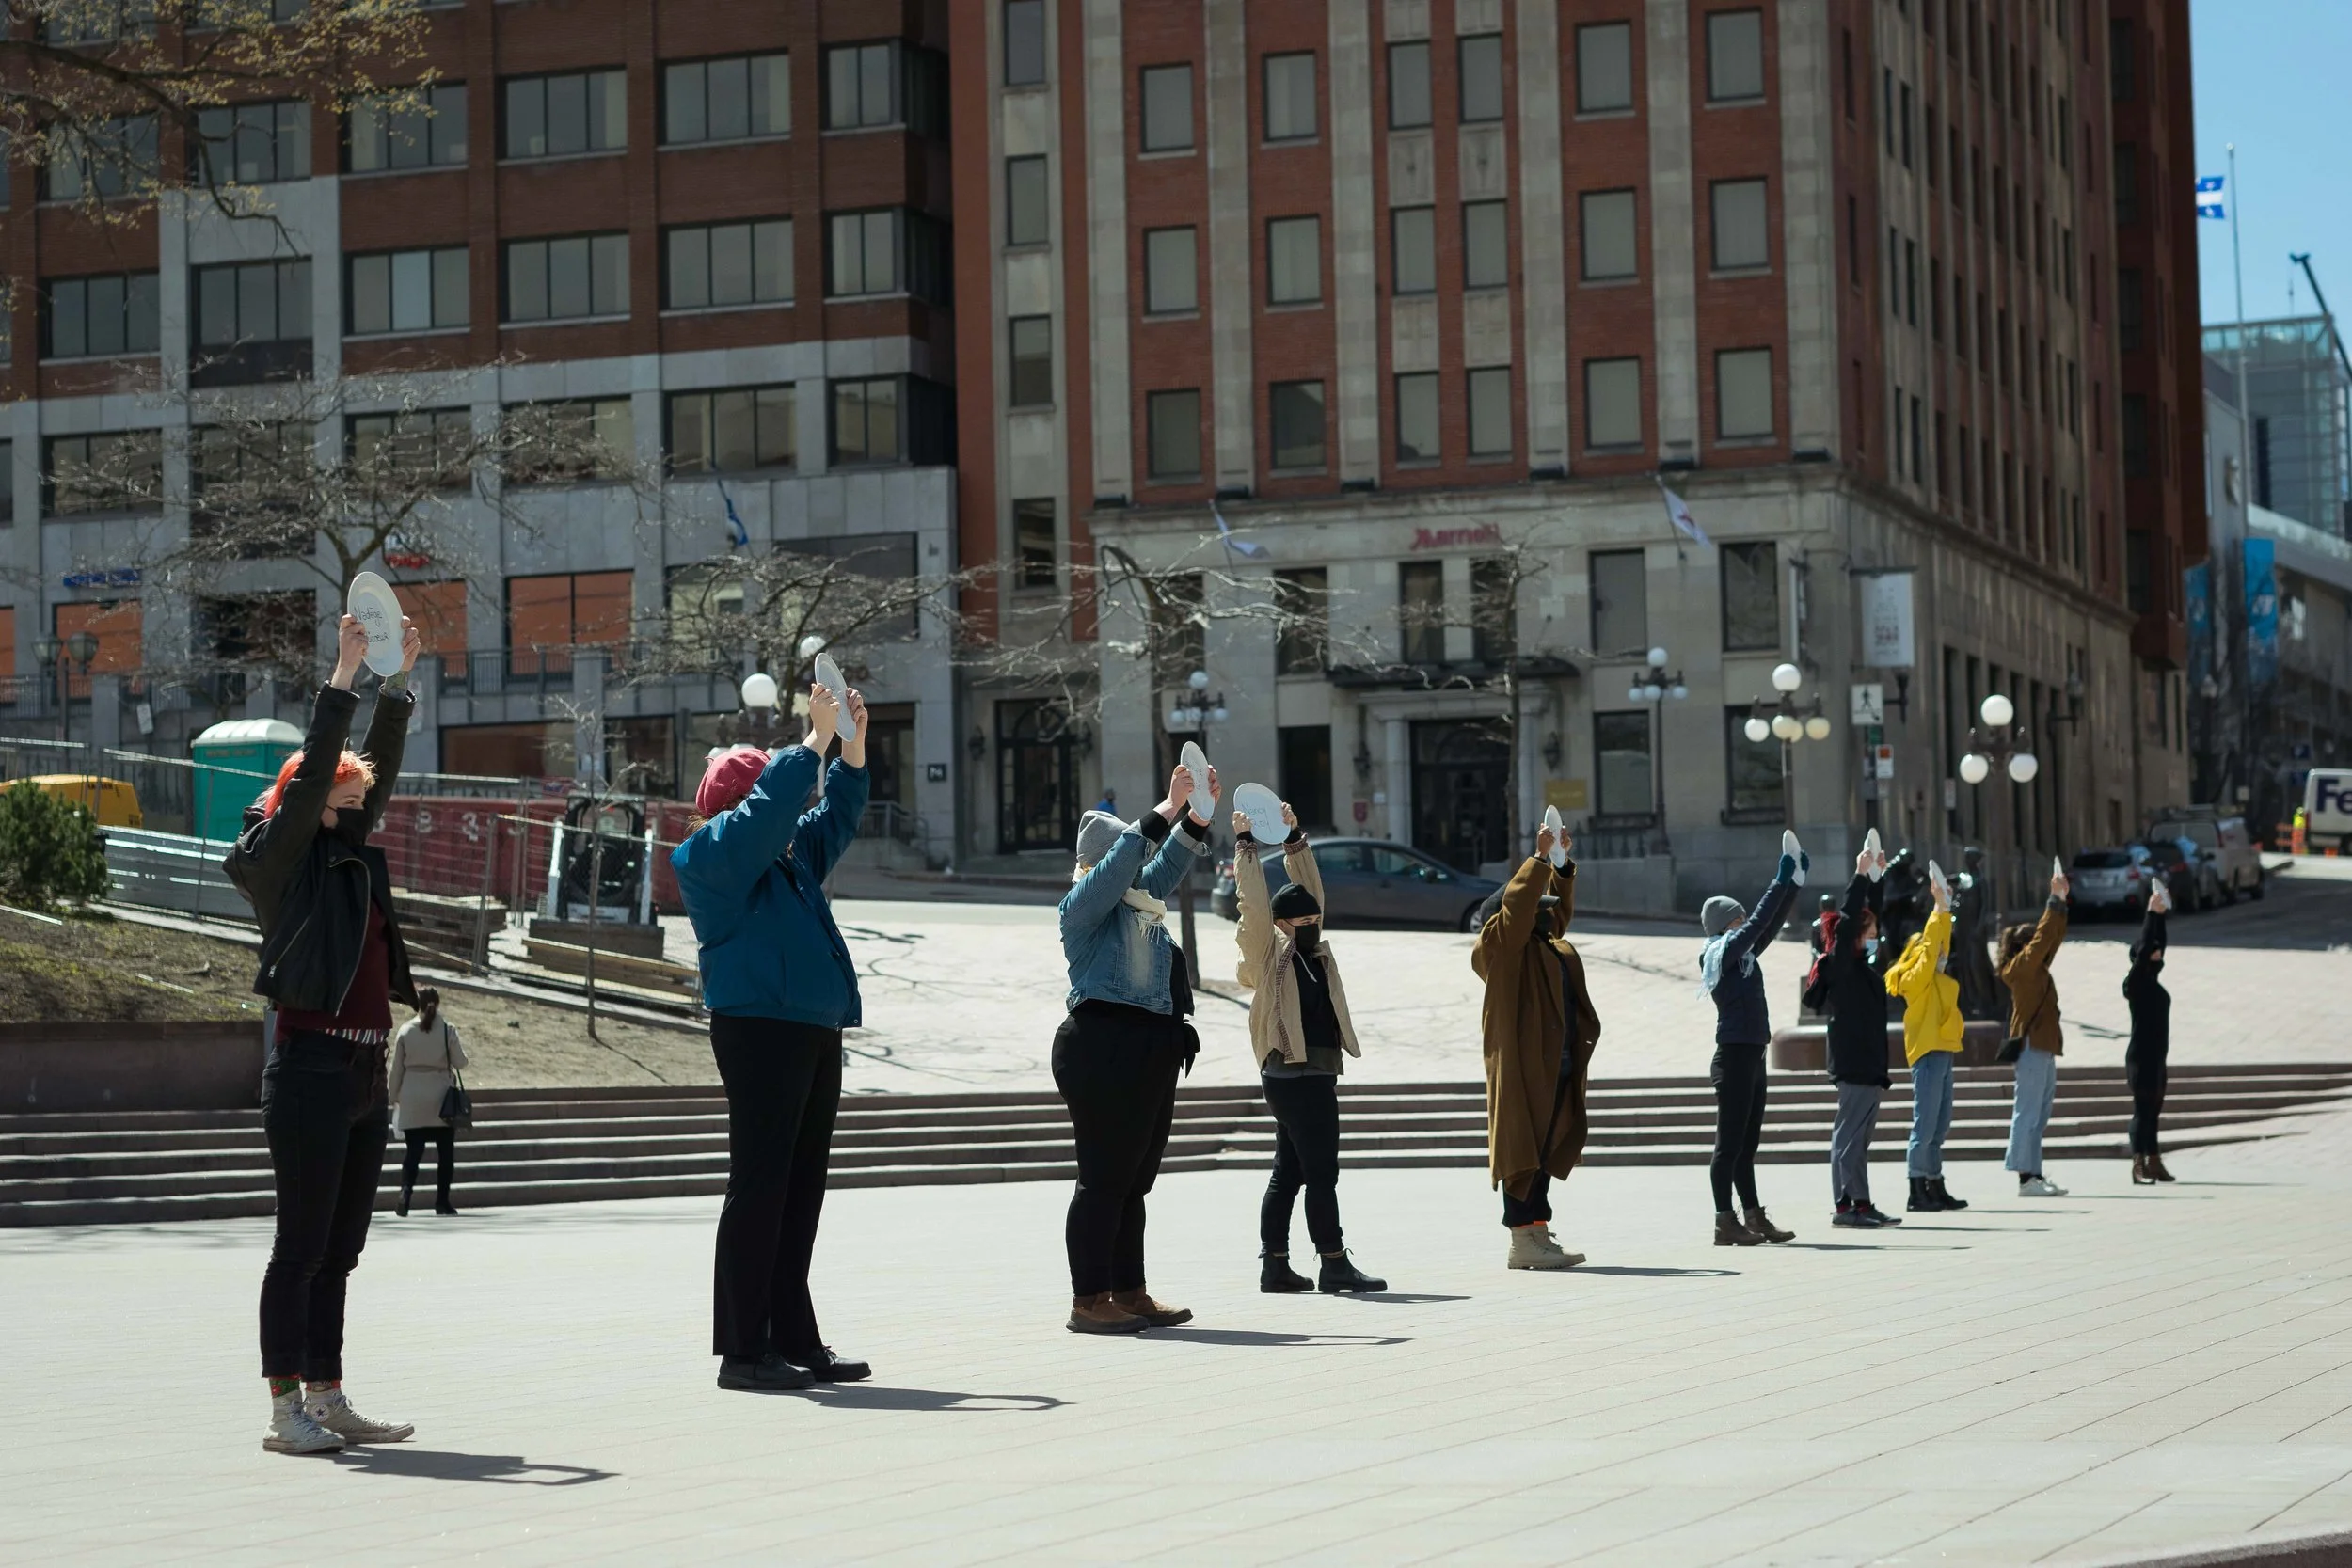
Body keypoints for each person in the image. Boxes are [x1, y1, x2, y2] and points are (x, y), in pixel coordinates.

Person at [225, 611, 423, 1457]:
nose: (356, 808)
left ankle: (328, 1393)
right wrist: (342, 677)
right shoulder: (279, 865)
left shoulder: (347, 856)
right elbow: (312, 789)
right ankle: (282, 1413)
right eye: (341, 800)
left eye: (354, 800)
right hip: (306, 1069)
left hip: (362, 1078)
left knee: (339, 1252)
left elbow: (367, 780)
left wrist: (397, 684)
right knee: (299, 1248)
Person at [672, 682, 873, 1393]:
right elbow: (767, 817)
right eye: (778, 800)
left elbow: (838, 814)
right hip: (760, 1029)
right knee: (761, 1186)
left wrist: (849, 748)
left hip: (811, 1028)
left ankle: (793, 1337)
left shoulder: (785, 856)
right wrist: (811, 744)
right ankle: (743, 1349)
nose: (796, 816)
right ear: (743, 804)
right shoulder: (710, 858)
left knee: (800, 1191)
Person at [1053, 763, 1217, 1333]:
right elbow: (1131, 860)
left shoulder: (1139, 903)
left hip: (1149, 1046)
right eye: (1128, 860)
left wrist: (1196, 817)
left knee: (1134, 1179)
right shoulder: (1084, 905)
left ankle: (1130, 1291)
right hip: (1101, 1046)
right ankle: (1088, 1300)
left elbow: (1165, 863)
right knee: (1103, 1177)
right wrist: (1166, 809)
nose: (1142, 872)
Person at [1232, 800, 1385, 1293]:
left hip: (1315, 1073)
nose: (1314, 924)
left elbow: (1310, 891)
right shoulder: (1268, 952)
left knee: (1290, 1171)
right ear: (1282, 925)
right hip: (1293, 1076)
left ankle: (1275, 1266)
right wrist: (1246, 848)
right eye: (1303, 921)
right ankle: (1333, 1261)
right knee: (1322, 1173)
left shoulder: (1315, 951)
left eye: (1316, 919)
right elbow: (1254, 908)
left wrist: (1294, 836)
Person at [1471, 822, 1601, 1270]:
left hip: (1556, 1064)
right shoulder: (1503, 949)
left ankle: (1539, 1234)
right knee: (1522, 1150)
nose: (1544, 915)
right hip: (1523, 1069)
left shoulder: (1545, 945)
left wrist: (1561, 869)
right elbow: (1516, 911)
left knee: (1547, 1146)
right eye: (1534, 908)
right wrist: (1540, 859)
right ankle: (1522, 1241)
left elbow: (1557, 914)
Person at [1695, 838, 1805, 1246]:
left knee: (1748, 1145)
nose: (1745, 922)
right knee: (1729, 1146)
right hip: (1734, 1058)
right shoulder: (1719, 954)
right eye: (1738, 918)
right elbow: (1759, 924)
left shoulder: (1742, 955)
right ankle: (1725, 1220)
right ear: (1725, 923)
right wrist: (1777, 881)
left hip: (1753, 1055)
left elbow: (1769, 927)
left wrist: (1794, 882)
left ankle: (1754, 1217)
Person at [1804, 847, 1900, 1227]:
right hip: (1853, 1063)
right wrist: (1860, 875)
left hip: (1869, 1065)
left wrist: (1876, 878)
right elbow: (1850, 921)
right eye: (1871, 935)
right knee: (1849, 1138)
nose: (1876, 939)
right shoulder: (1842, 964)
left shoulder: (1861, 967)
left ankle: (1862, 1202)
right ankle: (1845, 1206)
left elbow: (1865, 916)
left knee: (1861, 1140)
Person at [1885, 867, 1967, 1212]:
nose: (1942, 957)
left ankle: (1935, 1184)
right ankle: (1916, 1189)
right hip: (1928, 1052)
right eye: (1934, 954)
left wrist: (1945, 912)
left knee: (1939, 1124)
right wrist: (1937, 911)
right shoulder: (1914, 979)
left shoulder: (1933, 977)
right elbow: (1933, 945)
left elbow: (1940, 943)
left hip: (1943, 1050)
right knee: (1925, 1125)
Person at [1997, 865, 2074, 1196]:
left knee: (2039, 1114)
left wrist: (2062, 904)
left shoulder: (2035, 967)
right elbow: (2044, 938)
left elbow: (2051, 939)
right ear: (2025, 947)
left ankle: (2035, 1174)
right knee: (2027, 1113)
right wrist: (2052, 900)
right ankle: (2025, 1177)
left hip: (2043, 1046)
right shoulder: (2021, 968)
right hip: (2031, 1046)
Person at [389, 987, 467, 1217]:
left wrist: (393, 1097)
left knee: (413, 1153)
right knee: (445, 1155)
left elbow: (395, 1071)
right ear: (438, 1004)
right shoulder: (447, 1030)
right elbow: (460, 1063)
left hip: (413, 1097)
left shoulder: (405, 1031)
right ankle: (442, 1201)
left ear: (418, 1004)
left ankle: (405, 1194)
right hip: (441, 1100)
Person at [2124, 882, 2175, 1184]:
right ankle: (2138, 1163)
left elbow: (2156, 945)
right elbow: (2145, 950)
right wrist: (2149, 914)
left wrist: (2160, 916)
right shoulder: (2136, 984)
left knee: (2154, 1110)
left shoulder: (2153, 984)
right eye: (2151, 952)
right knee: (2142, 1112)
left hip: (2156, 1057)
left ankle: (2154, 1161)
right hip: (2141, 1058)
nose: (2157, 954)